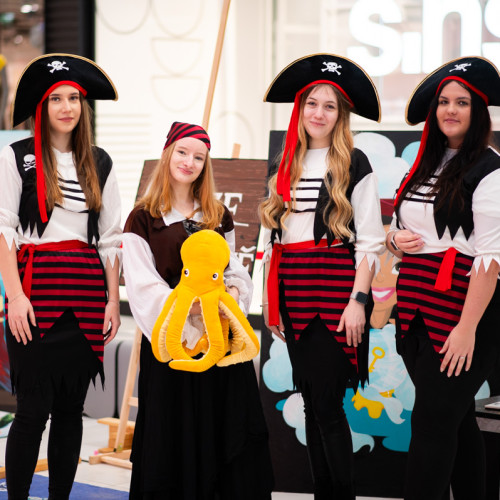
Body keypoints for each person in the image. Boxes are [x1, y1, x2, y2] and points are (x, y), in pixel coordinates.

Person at [122, 121, 274, 500]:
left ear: (206, 165)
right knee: (174, 438)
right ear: (167, 154)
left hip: (218, 343)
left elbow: (233, 269)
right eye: (183, 152)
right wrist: (189, 312)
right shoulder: (142, 217)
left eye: (199, 157)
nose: (189, 162)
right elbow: (142, 284)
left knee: (222, 434)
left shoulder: (217, 214)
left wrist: (230, 298)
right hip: (173, 347)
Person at [260, 54, 386, 499]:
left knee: (328, 406)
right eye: (312, 103)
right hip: (293, 293)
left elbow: (370, 241)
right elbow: (274, 241)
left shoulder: (356, 163)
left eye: (329, 106)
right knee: (313, 405)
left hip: (335, 294)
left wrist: (358, 302)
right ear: (300, 108)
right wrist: (271, 304)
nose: (319, 113)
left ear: (341, 115)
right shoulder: (284, 162)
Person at [0, 54, 122, 499]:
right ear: (42, 105)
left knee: (72, 410)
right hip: (35, 292)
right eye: (56, 99)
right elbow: (4, 229)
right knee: (32, 410)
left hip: (87, 294)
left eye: (74, 98)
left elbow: (111, 238)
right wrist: (15, 297)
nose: (67, 107)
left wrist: (113, 301)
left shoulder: (100, 161)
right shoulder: (16, 156)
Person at [387, 56, 500, 500]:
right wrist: (395, 239)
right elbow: (400, 225)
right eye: (444, 102)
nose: (450, 110)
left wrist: (467, 328)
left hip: (464, 312)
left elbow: (490, 258)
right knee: (455, 418)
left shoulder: (491, 169)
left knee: (432, 423)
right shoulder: (424, 161)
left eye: (462, 102)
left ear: (479, 112)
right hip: (415, 307)